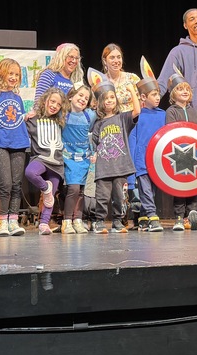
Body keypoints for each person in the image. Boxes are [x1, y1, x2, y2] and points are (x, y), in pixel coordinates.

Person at [89, 73, 140, 233]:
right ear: (100, 103)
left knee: (120, 197)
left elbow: (137, 110)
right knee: (102, 196)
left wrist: (131, 91)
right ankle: (99, 221)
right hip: (104, 167)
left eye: (112, 97)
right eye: (106, 98)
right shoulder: (98, 123)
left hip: (120, 167)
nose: (109, 100)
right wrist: (94, 154)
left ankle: (118, 221)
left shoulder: (122, 118)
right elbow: (95, 142)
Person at [0, 57, 30, 236]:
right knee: (5, 183)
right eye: (10, 73)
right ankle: (2, 221)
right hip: (0, 142)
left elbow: (18, 119)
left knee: (16, 184)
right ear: (1, 74)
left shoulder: (17, 97)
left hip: (18, 142)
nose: (13, 77)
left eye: (17, 74)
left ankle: (13, 220)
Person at [164, 71, 197, 231]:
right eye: (180, 89)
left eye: (187, 89)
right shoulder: (171, 111)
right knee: (180, 186)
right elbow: (170, 131)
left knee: (193, 185)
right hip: (179, 154)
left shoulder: (194, 111)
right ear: (173, 93)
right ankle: (179, 217)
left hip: (194, 154)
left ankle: (191, 216)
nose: (185, 91)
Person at [25, 87, 67, 235]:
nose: (55, 106)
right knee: (30, 172)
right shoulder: (33, 119)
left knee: (50, 197)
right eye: (52, 101)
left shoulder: (60, 121)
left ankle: (44, 223)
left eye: (59, 104)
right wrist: (26, 116)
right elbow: (20, 127)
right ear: (45, 101)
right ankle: (45, 188)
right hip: (41, 158)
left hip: (57, 163)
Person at [129, 73, 166, 232]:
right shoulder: (137, 115)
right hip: (141, 158)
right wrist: (132, 161)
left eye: (158, 94)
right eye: (154, 94)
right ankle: (152, 216)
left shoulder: (163, 114)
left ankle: (143, 218)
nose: (158, 97)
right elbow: (133, 138)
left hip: (157, 159)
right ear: (143, 97)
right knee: (145, 189)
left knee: (153, 190)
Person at [61, 82, 96, 234]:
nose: (83, 99)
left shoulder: (90, 115)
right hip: (69, 158)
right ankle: (67, 221)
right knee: (73, 188)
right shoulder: (63, 114)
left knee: (81, 190)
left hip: (85, 158)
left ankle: (78, 220)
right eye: (80, 95)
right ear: (71, 96)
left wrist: (95, 152)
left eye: (86, 98)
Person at [101, 43, 141, 113]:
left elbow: (143, 101)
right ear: (105, 61)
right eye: (112, 58)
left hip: (134, 118)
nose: (116, 61)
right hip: (111, 119)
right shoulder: (101, 82)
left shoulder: (132, 78)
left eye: (119, 57)